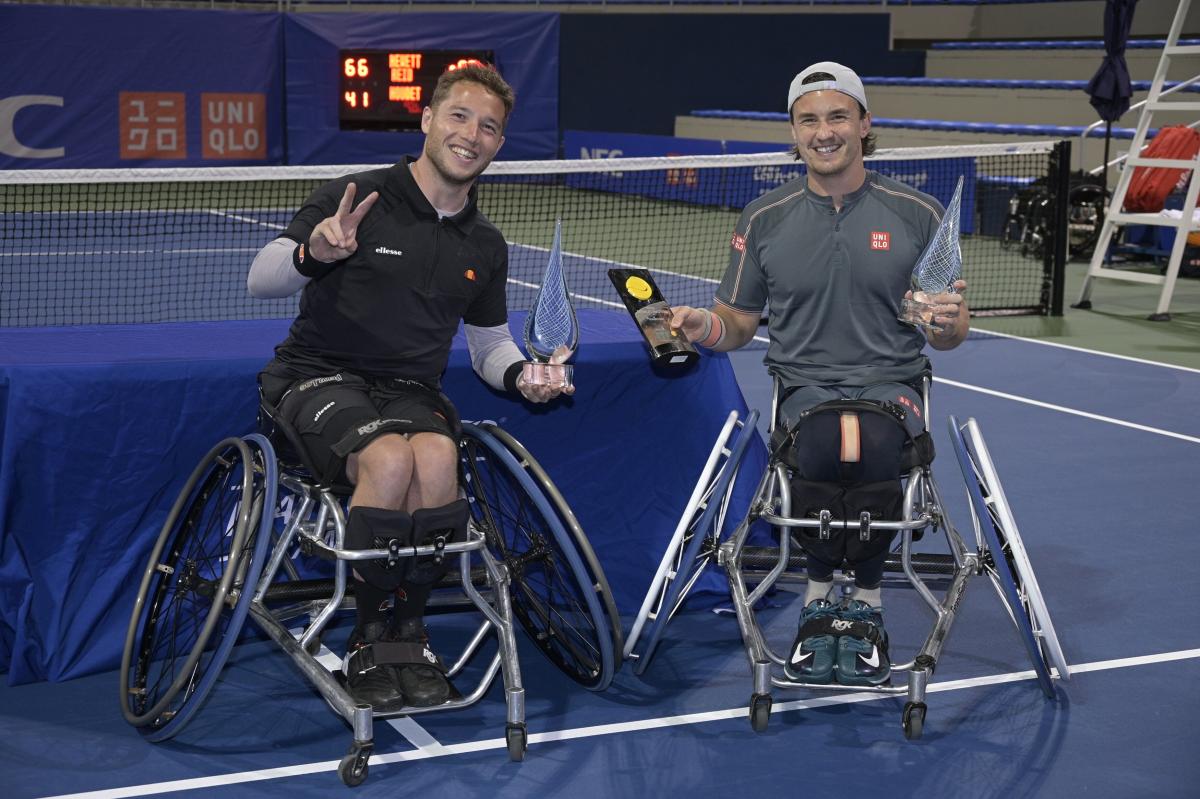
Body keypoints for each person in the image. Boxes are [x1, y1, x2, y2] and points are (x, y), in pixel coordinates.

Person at [247, 64, 570, 710]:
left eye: (489, 127)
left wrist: (523, 374)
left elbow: (488, 347)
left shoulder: (485, 242)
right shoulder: (358, 195)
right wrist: (316, 252)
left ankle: (408, 636)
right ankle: (371, 637)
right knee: (391, 459)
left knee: (439, 457)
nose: (471, 135)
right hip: (317, 375)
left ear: (499, 145)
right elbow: (263, 276)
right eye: (458, 117)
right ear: (427, 120)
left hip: (409, 388)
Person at [669, 62, 968, 688]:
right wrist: (704, 327)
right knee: (830, 442)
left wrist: (946, 321)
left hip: (894, 387)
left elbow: (947, 330)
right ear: (794, 131)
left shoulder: (917, 212)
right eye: (809, 119)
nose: (823, 131)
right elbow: (738, 321)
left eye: (837, 116)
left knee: (864, 443)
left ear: (864, 124)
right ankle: (819, 600)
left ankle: (862, 603)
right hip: (803, 391)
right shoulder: (764, 216)